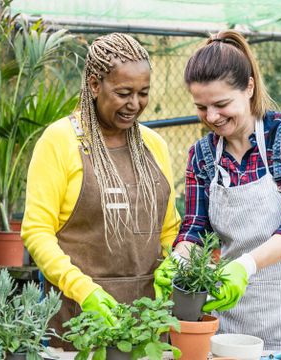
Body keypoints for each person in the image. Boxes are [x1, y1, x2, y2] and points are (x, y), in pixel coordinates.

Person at [154, 30, 281, 351]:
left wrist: (244, 266)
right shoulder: (203, 155)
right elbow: (196, 228)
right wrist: (178, 260)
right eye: (201, 107)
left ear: (249, 87)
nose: (211, 117)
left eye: (222, 104)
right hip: (235, 322)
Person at [21, 33, 180, 349]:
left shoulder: (154, 146)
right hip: (77, 319)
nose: (134, 104)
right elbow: (37, 232)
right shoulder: (60, 141)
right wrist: (84, 290)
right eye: (123, 93)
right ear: (94, 85)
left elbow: (169, 229)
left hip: (147, 326)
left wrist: (173, 264)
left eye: (143, 93)